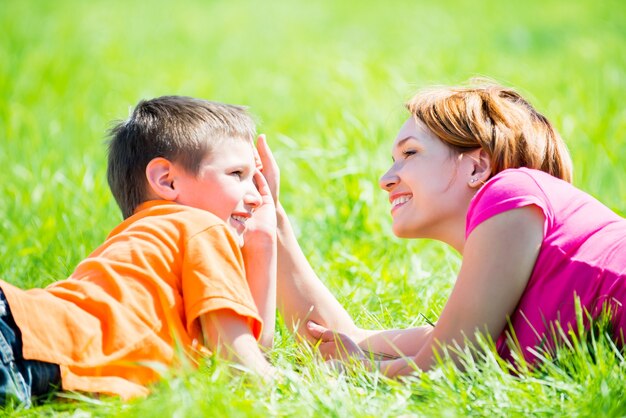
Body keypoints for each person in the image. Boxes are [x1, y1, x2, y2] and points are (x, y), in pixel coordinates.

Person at [260, 80, 626, 377]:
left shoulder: (512, 189)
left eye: (410, 153)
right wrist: (271, 220)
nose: (386, 179)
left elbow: (446, 366)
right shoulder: (496, 316)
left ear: (477, 168)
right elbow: (347, 339)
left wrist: (360, 370)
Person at [0, 96, 277, 406]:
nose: (255, 197)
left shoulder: (151, 242)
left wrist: (263, 240)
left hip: (22, 341)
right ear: (167, 180)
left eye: (256, 180)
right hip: (18, 343)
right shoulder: (201, 227)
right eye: (237, 175)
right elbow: (242, 366)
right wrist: (322, 381)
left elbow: (252, 347)